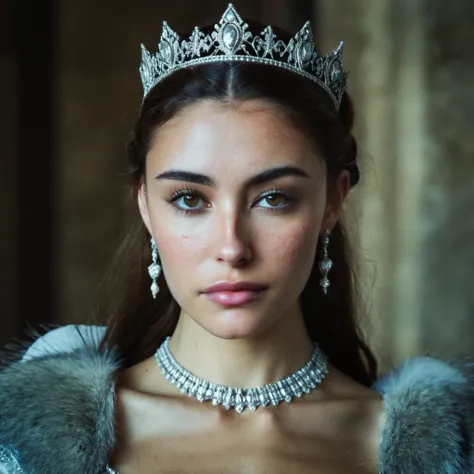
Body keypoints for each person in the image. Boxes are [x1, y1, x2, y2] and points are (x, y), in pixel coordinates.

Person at [1, 4, 473, 473]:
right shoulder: (31, 443)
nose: (232, 248)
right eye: (190, 199)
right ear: (146, 204)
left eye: (273, 198)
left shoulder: (438, 453)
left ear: (332, 201)